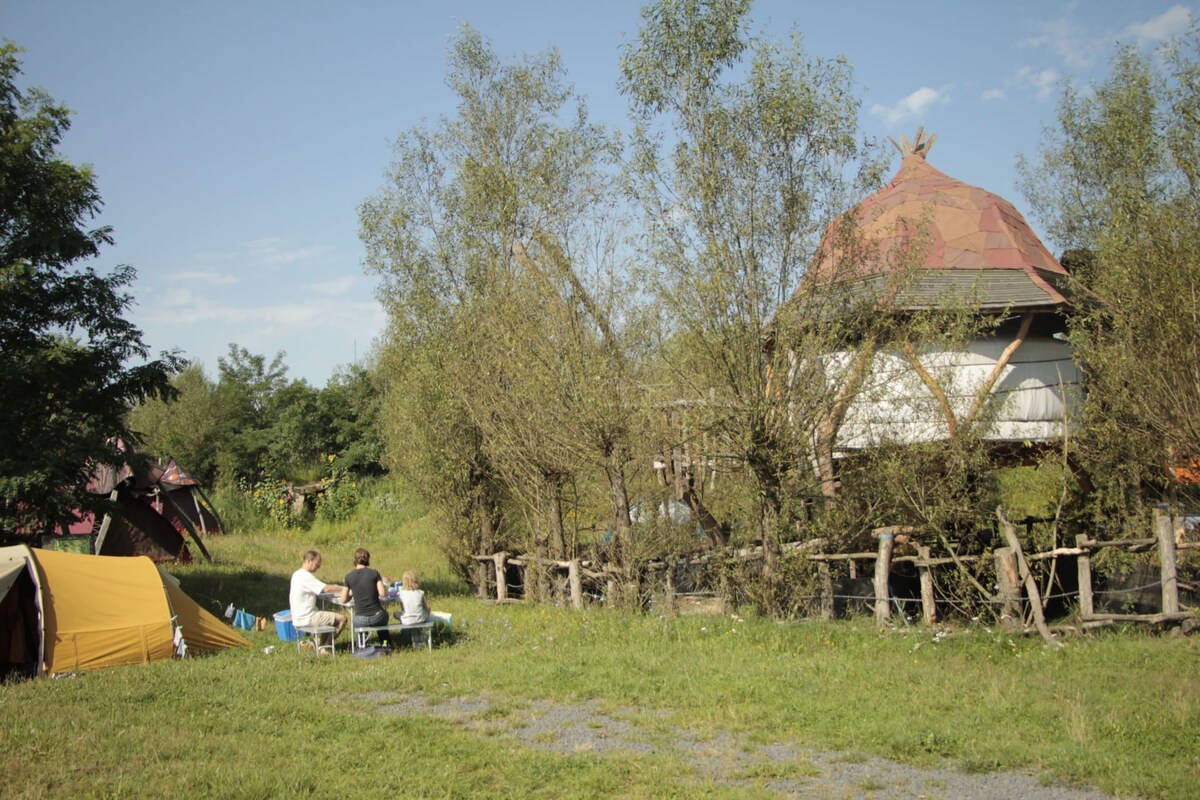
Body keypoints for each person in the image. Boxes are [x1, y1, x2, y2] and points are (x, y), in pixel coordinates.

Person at [289, 550, 346, 649]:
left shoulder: (296, 574)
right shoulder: (305, 576)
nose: (318, 567)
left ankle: (321, 646)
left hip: (297, 617)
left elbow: (318, 589)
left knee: (329, 618)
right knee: (342, 619)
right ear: (309, 561)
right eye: (317, 564)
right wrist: (342, 588)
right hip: (308, 617)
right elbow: (325, 588)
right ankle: (325, 648)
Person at [340, 548, 391, 646]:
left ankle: (361, 646)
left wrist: (352, 594)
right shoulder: (374, 573)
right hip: (377, 616)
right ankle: (385, 644)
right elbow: (382, 594)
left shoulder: (349, 577)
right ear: (368, 559)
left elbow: (343, 599)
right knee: (383, 618)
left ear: (355, 560)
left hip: (360, 619)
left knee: (357, 620)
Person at [394, 570, 430, 646]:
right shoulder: (420, 592)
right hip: (420, 619)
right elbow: (427, 607)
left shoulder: (401, 593)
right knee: (422, 612)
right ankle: (420, 636)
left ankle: (405, 636)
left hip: (407, 620)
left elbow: (403, 609)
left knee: (396, 614)